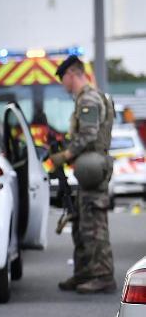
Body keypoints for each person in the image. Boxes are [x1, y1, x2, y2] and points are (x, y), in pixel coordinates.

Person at [48, 55, 116, 294]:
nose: (63, 85)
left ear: (72, 75)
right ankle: (85, 272)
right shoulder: (86, 98)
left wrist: (66, 154)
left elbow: (88, 134)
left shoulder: (88, 99)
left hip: (93, 168)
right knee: (82, 221)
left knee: (94, 224)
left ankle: (103, 275)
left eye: (63, 79)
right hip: (89, 168)